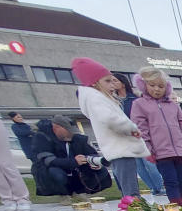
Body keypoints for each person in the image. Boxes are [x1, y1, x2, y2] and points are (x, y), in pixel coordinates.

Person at [71, 57, 149, 196]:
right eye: (107, 81)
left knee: (129, 188)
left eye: (112, 80)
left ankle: (135, 210)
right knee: (130, 191)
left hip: (120, 148)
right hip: (120, 148)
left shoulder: (99, 98)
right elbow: (110, 119)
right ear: (94, 83)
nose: (112, 84)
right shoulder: (96, 98)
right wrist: (131, 129)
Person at [130, 67, 182, 205]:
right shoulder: (139, 105)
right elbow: (140, 129)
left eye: (161, 86)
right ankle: (177, 207)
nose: (157, 89)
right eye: (152, 85)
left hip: (180, 150)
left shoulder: (173, 105)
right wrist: (147, 150)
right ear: (144, 85)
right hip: (161, 152)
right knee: (171, 180)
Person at [30, 116, 111, 197]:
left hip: (74, 169)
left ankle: (84, 192)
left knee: (102, 170)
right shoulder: (41, 137)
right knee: (56, 173)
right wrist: (74, 162)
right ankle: (63, 195)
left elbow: (91, 152)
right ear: (56, 128)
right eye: (68, 130)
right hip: (50, 169)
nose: (71, 133)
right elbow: (48, 161)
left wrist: (94, 162)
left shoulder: (75, 137)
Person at [112, 73, 166, 194]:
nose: (112, 83)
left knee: (149, 163)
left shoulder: (135, 99)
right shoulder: (113, 102)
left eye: (115, 80)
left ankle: (160, 186)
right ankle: (153, 188)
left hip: (140, 135)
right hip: (125, 138)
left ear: (122, 83)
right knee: (139, 167)